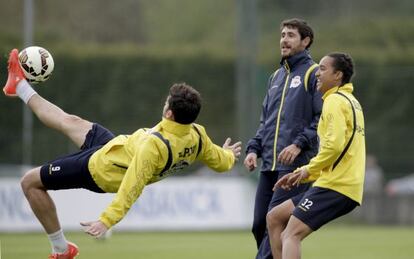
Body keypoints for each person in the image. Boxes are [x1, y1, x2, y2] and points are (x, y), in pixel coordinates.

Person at [3, 49, 242, 259]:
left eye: (167, 102)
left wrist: (106, 220)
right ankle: (19, 85)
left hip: (100, 168)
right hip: (118, 146)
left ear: (169, 114)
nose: (165, 103)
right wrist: (229, 155)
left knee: (30, 183)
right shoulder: (197, 135)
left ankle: (61, 249)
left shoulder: (154, 146)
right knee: (69, 121)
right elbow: (221, 162)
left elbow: (131, 187)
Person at [267, 52, 366, 259]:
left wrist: (306, 170)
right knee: (275, 217)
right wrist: (302, 174)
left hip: (336, 185)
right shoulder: (351, 101)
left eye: (322, 69)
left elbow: (334, 147)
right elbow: (341, 151)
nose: (317, 74)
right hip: (338, 183)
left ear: (337, 75)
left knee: (290, 234)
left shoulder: (334, 101)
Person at [243, 18, 322, 259]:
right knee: (259, 224)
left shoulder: (314, 72)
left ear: (305, 41)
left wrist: (299, 144)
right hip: (269, 163)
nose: (284, 40)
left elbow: (321, 118)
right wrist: (253, 149)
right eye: (283, 35)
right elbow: (265, 122)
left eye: (290, 35)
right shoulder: (275, 77)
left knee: (273, 223)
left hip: (294, 167)